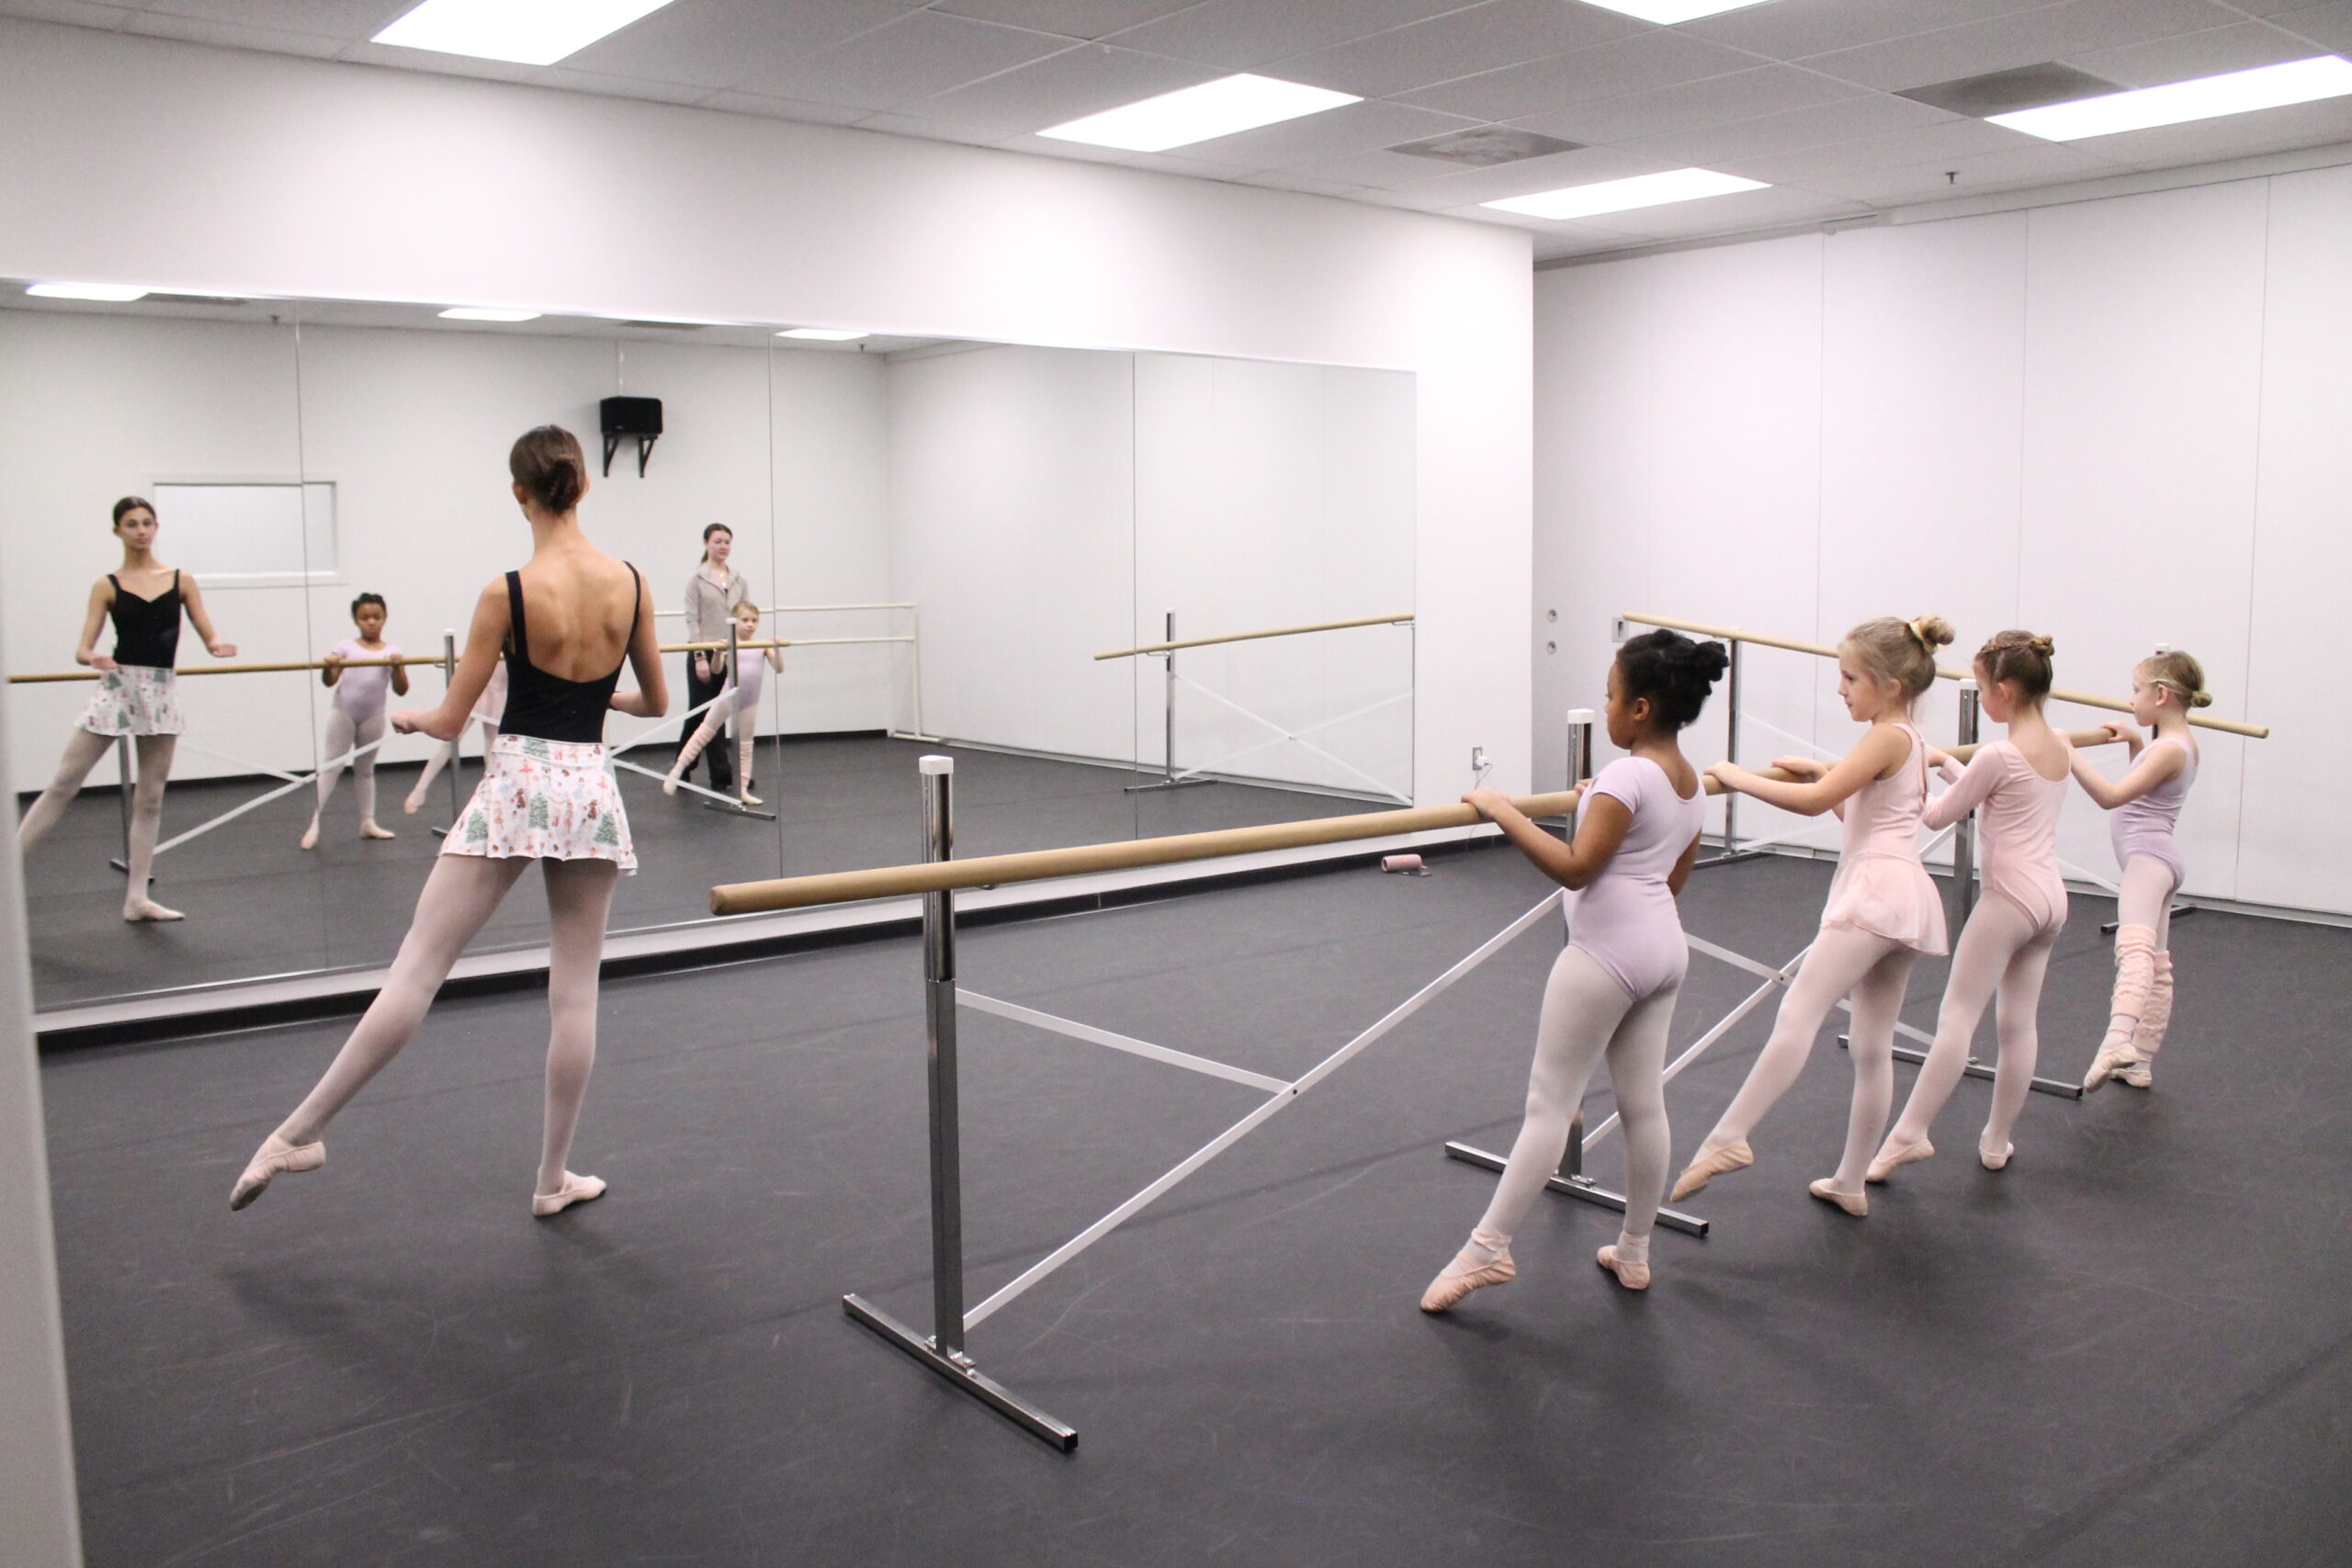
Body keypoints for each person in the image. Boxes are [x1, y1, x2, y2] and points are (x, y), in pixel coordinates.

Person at [232, 425, 665, 1217]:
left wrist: (412, 719)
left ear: (518, 493)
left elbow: (451, 719)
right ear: (585, 486)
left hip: (519, 782)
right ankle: (550, 1179)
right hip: (590, 788)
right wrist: (598, 698)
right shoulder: (631, 581)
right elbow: (657, 702)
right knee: (576, 993)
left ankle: (300, 1128)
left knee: (419, 966)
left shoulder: (507, 591)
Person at [1420, 630, 1724, 1310]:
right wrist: (1596, 803)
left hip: (1604, 955)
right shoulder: (1688, 782)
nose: (1606, 706)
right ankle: (1636, 1250)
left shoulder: (1627, 776)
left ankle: (1488, 1247)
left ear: (1641, 708)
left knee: (1548, 1105)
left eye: (1611, 695)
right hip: (1662, 950)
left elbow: (1577, 867)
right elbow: (1668, 876)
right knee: (1643, 1102)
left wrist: (1503, 812)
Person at [1671, 615, 1956, 1218]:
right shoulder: (1913, 739)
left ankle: (1730, 1135)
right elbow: (1862, 813)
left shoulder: (1884, 735)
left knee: (1799, 1011)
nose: (1841, 689)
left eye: (1851, 678)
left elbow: (1814, 804)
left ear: (1892, 685)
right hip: (1903, 894)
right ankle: (1850, 1181)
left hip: (1874, 892)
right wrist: (1824, 771)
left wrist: (1736, 777)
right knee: (1872, 1044)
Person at [1870, 632, 2070, 1179]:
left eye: (1980, 689)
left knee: (1957, 1017)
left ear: (2003, 690)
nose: (1979, 699)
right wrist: (1945, 765)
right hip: (2051, 898)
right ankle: (1996, 1141)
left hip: (2008, 900)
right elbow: (1995, 797)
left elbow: (1938, 816)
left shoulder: (1999, 754)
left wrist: (1912, 775)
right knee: (2018, 1025)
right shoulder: (2060, 745)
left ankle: (1909, 1134)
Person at [15, 496, 236, 921]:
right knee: (63, 783)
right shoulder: (107, 584)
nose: (140, 530)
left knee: (150, 797)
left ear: (157, 527)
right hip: (118, 687)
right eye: (131, 524)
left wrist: (217, 645)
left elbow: (208, 633)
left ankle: (137, 898)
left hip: (160, 690)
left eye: (147, 522)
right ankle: (9, 875)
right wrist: (92, 657)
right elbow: (82, 648)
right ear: (117, 531)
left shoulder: (181, 580)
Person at [2069, 649, 2208, 1091]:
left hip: (2149, 860)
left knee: (2135, 951)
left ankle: (2117, 1041)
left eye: (2136, 691)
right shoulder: (2176, 745)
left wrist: (2065, 752)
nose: (2131, 700)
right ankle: (2139, 1061)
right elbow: (2145, 783)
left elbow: (2112, 796)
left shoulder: (2169, 750)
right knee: (2157, 961)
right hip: (2157, 858)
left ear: (2162, 694)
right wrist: (2133, 742)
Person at [300, 592, 407, 849]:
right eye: (365, 617)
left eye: (376, 617)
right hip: (343, 713)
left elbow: (401, 689)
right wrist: (331, 665)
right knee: (331, 767)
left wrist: (399, 667)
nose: (371, 622)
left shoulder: (392, 651)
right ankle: (313, 823)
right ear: (356, 620)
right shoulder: (346, 646)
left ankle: (368, 822)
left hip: (373, 715)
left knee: (366, 770)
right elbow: (329, 681)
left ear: (385, 618)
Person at [663, 600, 782, 806]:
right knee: (703, 733)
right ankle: (677, 770)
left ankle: (743, 790)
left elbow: (779, 668)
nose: (750, 624)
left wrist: (777, 649)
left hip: (750, 702)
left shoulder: (761, 645)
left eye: (754, 620)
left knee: (746, 745)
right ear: (735, 622)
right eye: (745, 620)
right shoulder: (729, 644)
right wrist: (719, 652)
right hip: (729, 697)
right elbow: (716, 670)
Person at [678, 522, 750, 795]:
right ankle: (689, 765)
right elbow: (692, 619)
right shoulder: (696, 579)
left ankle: (715, 771)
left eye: (727, 542)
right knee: (699, 710)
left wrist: (744, 649)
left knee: (720, 710)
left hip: (728, 650)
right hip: (704, 649)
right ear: (706, 543)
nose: (723, 546)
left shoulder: (738, 579)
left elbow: (746, 616)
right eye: (718, 541)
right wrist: (699, 656)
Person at [402, 660, 507, 816]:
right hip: (476, 692)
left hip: (499, 694)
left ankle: (491, 794)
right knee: (450, 742)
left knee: (492, 746)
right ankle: (420, 789)